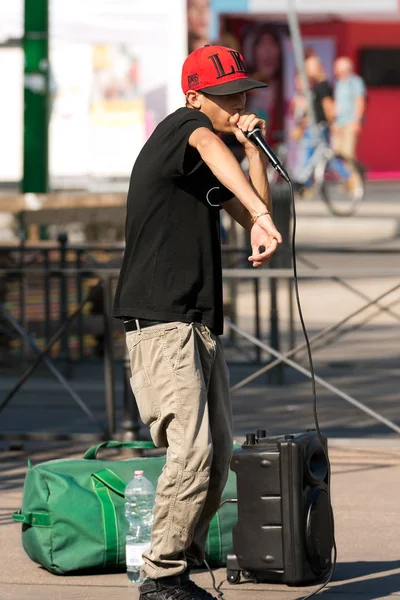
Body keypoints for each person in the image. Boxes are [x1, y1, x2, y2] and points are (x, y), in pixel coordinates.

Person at [113, 45, 282, 600]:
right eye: (227, 94)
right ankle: (159, 576)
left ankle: (178, 569)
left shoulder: (204, 166)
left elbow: (253, 203)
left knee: (215, 460)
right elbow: (209, 142)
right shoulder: (180, 129)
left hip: (196, 322)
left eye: (242, 93)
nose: (238, 103)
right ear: (194, 96)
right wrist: (255, 211)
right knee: (192, 453)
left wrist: (252, 148)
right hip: (160, 321)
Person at [332, 56, 366, 161]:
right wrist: (334, 122)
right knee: (337, 152)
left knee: (348, 153)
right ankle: (346, 176)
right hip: (339, 122)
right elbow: (337, 104)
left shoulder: (355, 82)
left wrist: (357, 121)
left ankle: (355, 176)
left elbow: (360, 101)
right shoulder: (338, 83)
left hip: (350, 122)